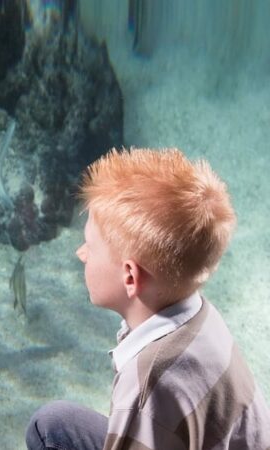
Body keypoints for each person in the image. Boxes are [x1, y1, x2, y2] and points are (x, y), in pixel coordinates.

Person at [25, 148, 270, 449]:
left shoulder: (146, 388)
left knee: (46, 434)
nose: (81, 253)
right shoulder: (201, 315)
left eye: (89, 244)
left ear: (130, 277)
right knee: (52, 425)